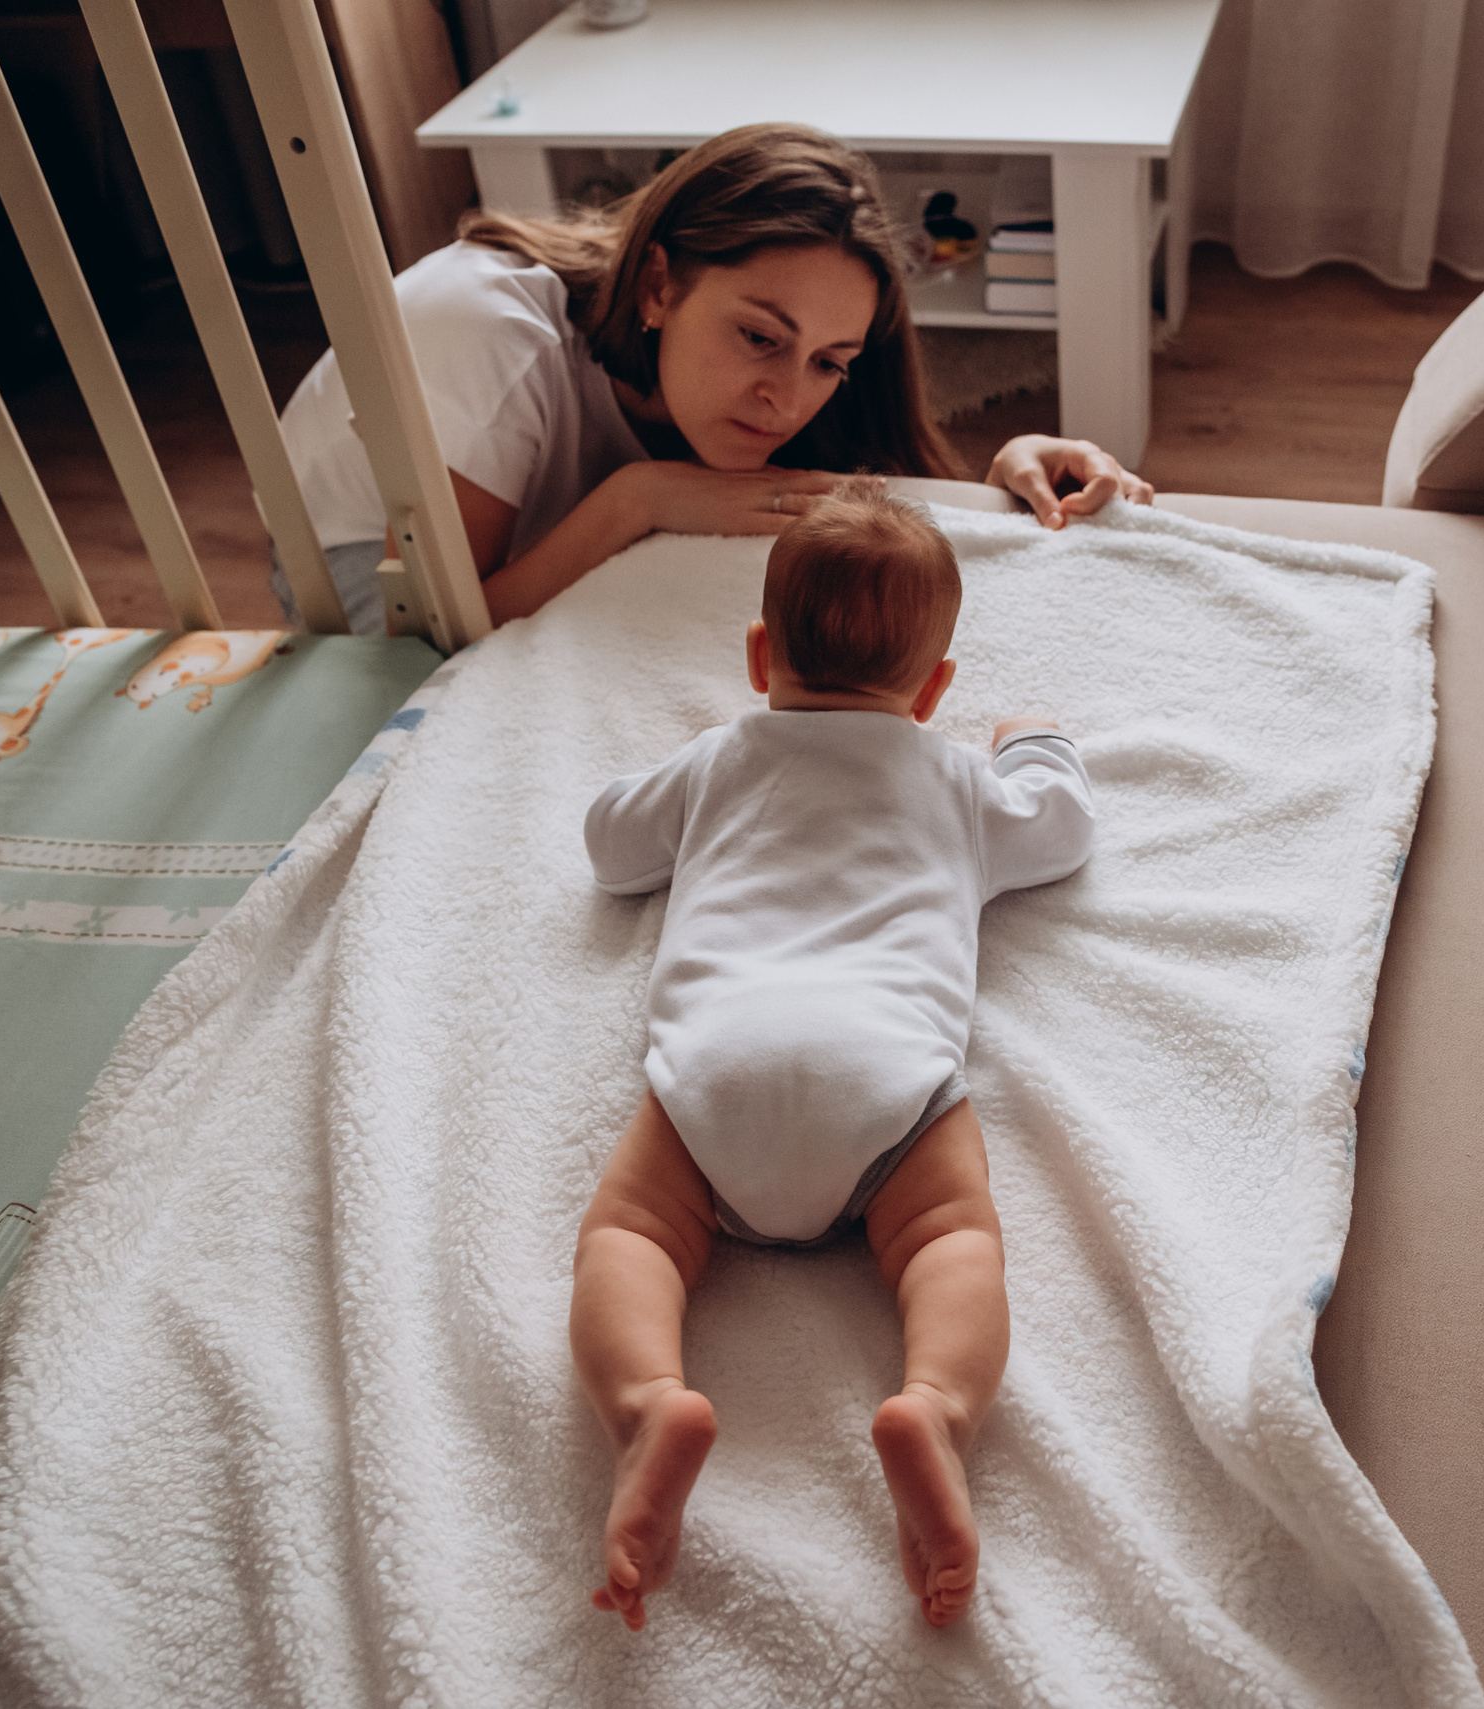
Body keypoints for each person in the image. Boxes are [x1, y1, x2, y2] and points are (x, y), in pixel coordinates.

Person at [574, 479, 1095, 1631]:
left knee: (631, 1233)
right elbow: (1056, 832)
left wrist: (667, 777)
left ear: (760, 656)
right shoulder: (955, 778)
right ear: (935, 691)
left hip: (715, 1071)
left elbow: (610, 849)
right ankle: (936, 1410)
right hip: (888, 1081)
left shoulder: (719, 760)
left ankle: (649, 1401)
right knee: (952, 1237)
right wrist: (1036, 745)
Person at [277, 122, 1154, 634]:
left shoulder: (775, 379)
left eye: (829, 364)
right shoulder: (484, 328)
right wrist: (635, 501)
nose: (789, 398)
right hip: (370, 559)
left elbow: (863, 495)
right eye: (759, 338)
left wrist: (1007, 473)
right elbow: (428, 636)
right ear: (659, 284)